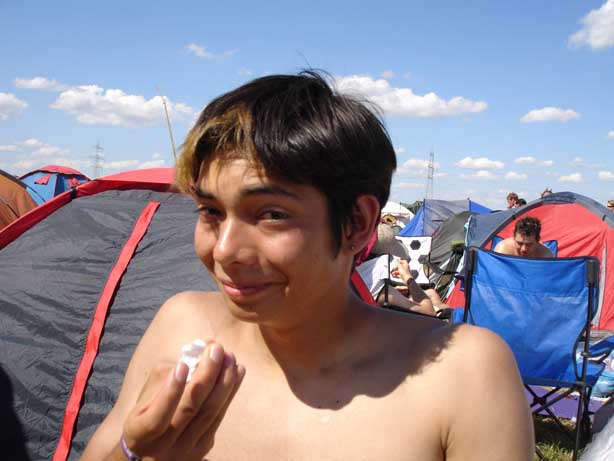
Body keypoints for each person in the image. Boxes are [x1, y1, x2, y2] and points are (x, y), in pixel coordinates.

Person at [82, 72, 533, 460]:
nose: (224, 250)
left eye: (271, 214)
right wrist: (134, 453)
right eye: (210, 211)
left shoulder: (462, 373)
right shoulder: (182, 326)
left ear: (357, 224)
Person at [355, 223, 436, 316]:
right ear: (385, 258)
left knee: (431, 293)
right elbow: (429, 312)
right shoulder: (382, 292)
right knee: (432, 295)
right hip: (378, 321)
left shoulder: (350, 272)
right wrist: (408, 278)